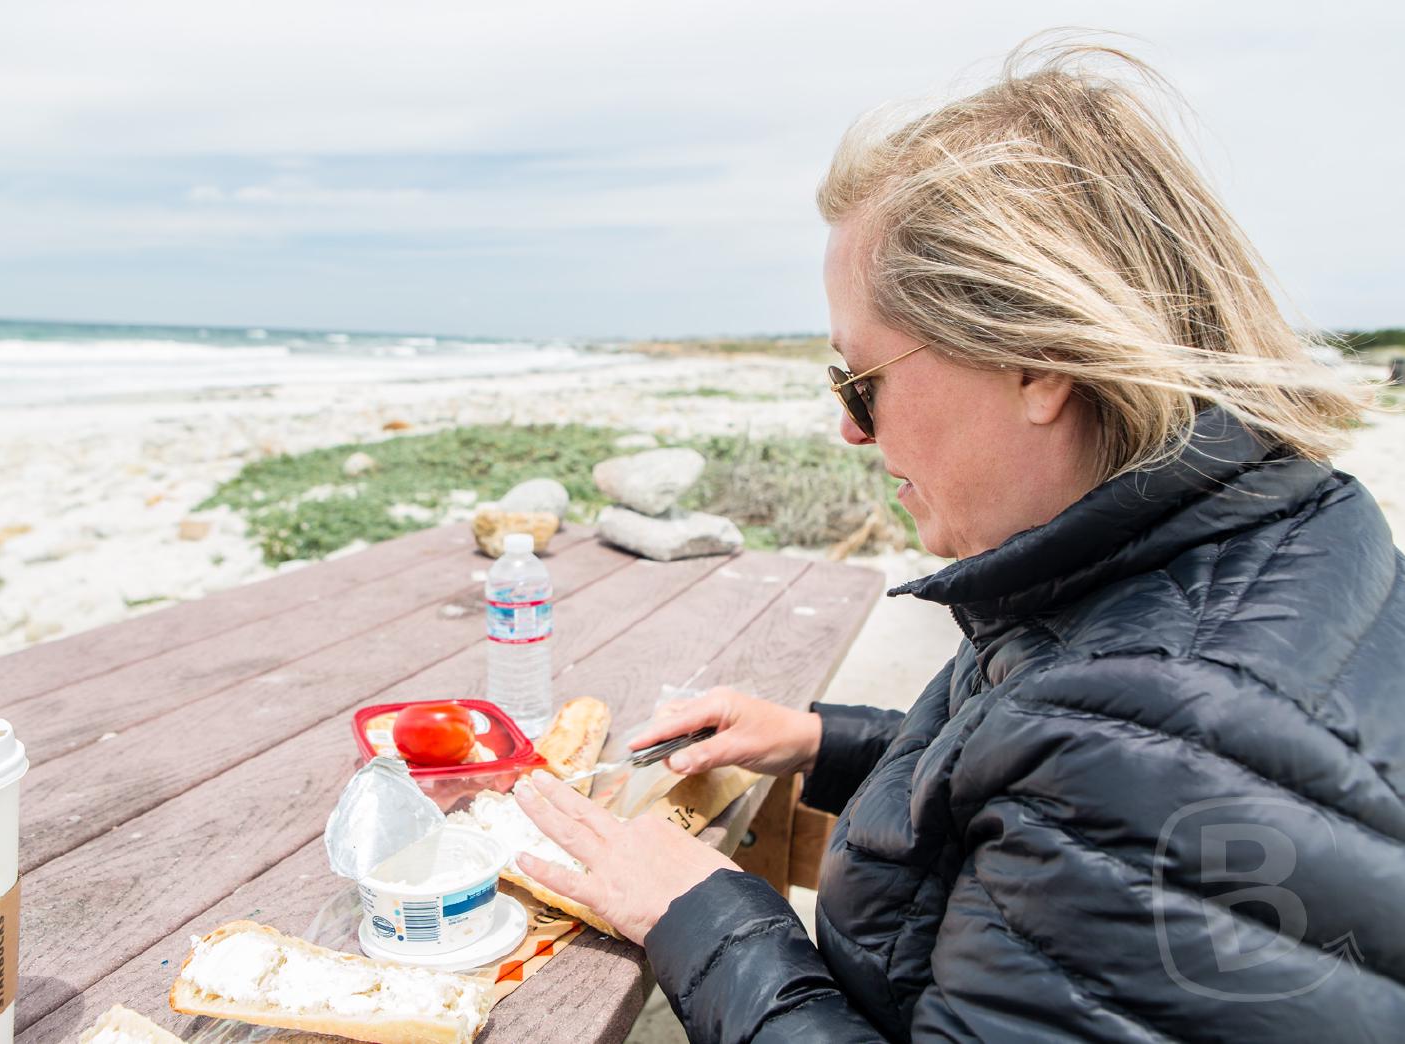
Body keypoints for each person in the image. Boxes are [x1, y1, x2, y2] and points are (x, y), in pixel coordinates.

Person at [513, 42, 1405, 1041]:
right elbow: (1056, 779)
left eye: (861, 382)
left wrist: (705, 919)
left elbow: (1118, 777)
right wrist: (826, 742)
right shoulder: (1272, 534)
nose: (849, 429)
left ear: (1035, 362)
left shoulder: (1170, 751)